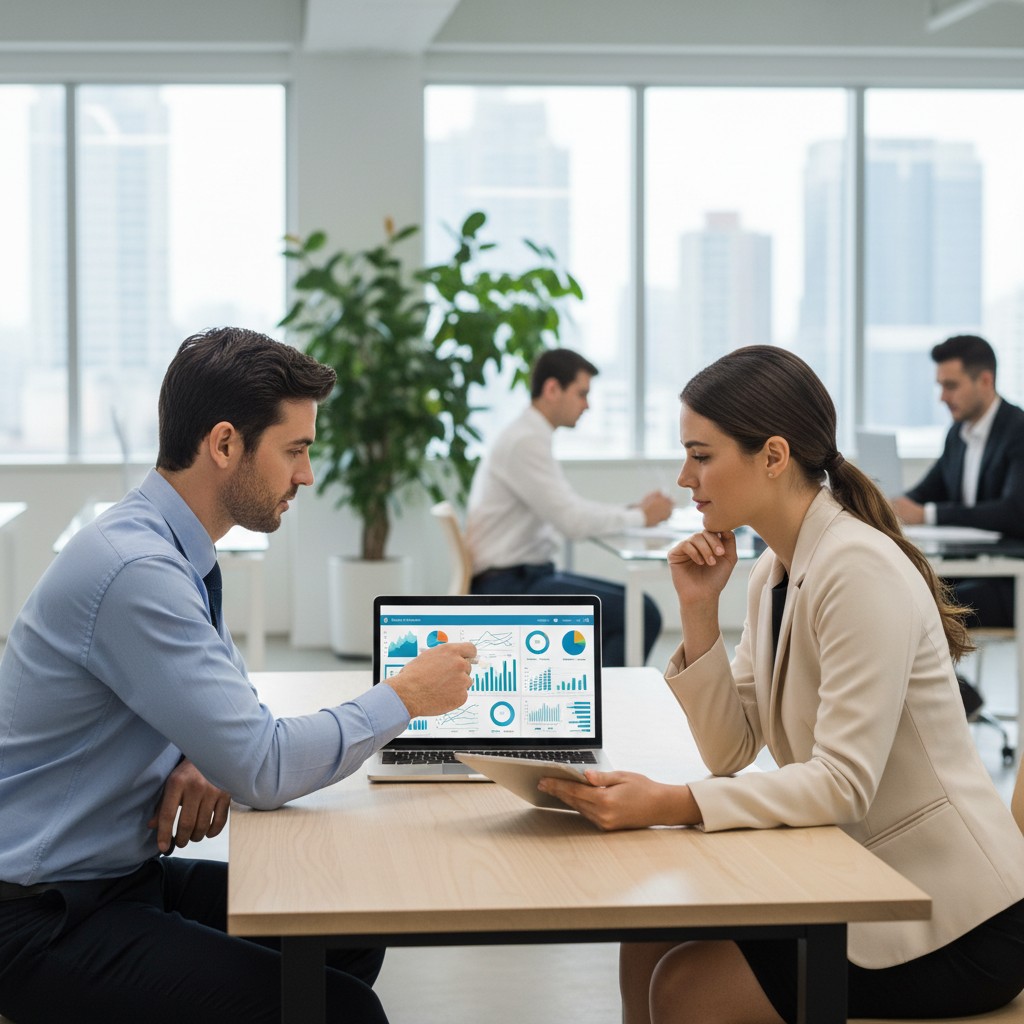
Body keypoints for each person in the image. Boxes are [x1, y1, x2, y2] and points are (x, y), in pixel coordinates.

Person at [0, 327, 477, 1024]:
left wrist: (197, 751)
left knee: (344, 933)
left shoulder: (174, 550)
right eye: (296, 450)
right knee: (343, 1011)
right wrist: (404, 695)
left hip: (115, 880)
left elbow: (231, 716)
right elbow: (264, 765)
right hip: (43, 917)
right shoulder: (139, 571)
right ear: (224, 445)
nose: (306, 476)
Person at [539, 345, 1024, 1023]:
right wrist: (700, 612)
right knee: (647, 930)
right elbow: (730, 751)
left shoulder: (857, 569)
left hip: (952, 921)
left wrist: (674, 802)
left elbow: (842, 783)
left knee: (684, 989)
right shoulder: (774, 571)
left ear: (773, 456)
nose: (685, 477)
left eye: (701, 455)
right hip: (861, 874)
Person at [467, 348, 674, 665]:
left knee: (635, 607)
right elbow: (572, 522)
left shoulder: (529, 434)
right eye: (581, 394)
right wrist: (641, 516)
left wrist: (632, 511)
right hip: (509, 586)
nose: (588, 405)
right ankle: (606, 710)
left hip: (521, 576)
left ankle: (598, 702)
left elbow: (569, 508)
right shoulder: (525, 441)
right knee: (640, 614)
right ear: (552, 389)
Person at [892, 334, 1024, 629]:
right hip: (970, 569)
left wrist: (927, 515)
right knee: (901, 592)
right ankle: (951, 678)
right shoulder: (957, 435)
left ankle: (951, 679)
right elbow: (925, 492)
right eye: (940, 386)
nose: (942, 397)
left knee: (928, 612)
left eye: (951, 386)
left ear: (985, 381)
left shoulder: (1018, 430)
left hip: (1009, 579)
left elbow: (1015, 512)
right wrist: (884, 507)